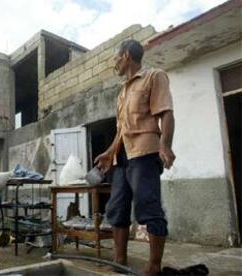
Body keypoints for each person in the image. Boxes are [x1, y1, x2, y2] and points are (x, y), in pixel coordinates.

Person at [94, 39, 175, 275]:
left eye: (115, 58)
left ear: (126, 55)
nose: (114, 64)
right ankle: (120, 260)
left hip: (145, 152)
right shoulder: (122, 92)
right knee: (117, 208)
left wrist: (165, 145)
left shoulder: (154, 76)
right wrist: (110, 152)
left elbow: (166, 113)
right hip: (122, 157)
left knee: (148, 209)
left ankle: (154, 266)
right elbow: (122, 129)